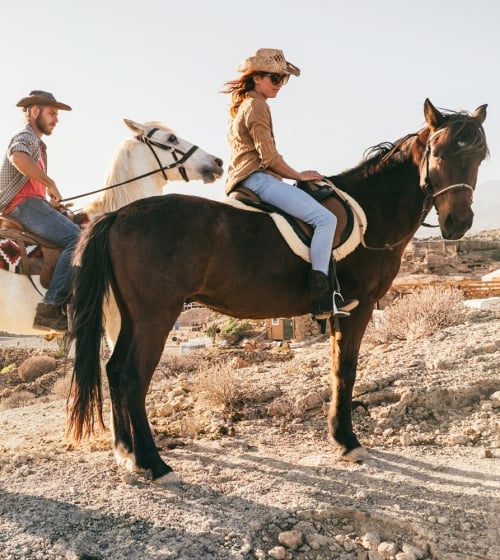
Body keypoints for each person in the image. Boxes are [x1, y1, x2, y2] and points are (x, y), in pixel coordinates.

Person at [223, 48, 358, 319]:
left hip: (245, 179)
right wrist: (298, 175)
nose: (279, 85)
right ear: (257, 78)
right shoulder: (257, 106)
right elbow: (269, 157)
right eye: (275, 79)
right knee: (325, 220)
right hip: (259, 180)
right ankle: (322, 298)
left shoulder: (244, 106)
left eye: (283, 80)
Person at [0, 90, 81, 332]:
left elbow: (30, 183)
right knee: (78, 240)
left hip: (32, 203)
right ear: (34, 111)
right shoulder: (27, 137)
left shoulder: (38, 144)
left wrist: (48, 200)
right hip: (22, 205)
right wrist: (50, 184)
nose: (56, 119)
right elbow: (18, 157)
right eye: (52, 113)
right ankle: (51, 306)